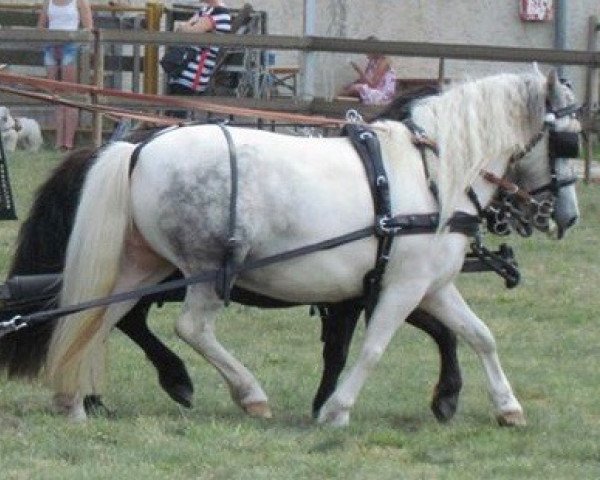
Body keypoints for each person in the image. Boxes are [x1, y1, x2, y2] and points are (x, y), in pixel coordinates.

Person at [37, 0, 93, 151]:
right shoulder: (48, 2)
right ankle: (58, 141)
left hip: (70, 47)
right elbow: (41, 26)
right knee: (54, 94)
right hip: (51, 46)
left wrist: (72, 42)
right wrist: (50, 39)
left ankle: (68, 143)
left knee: (70, 94)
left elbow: (88, 28)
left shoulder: (80, 2)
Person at [167, 1, 232, 101]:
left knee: (178, 113)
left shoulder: (220, 13)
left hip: (193, 78)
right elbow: (181, 31)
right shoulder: (206, 10)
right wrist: (187, 28)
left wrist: (187, 28)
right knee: (171, 112)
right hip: (181, 72)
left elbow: (189, 31)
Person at [341, 37, 397, 105]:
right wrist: (353, 83)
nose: (365, 54)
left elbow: (373, 84)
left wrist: (358, 70)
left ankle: (336, 101)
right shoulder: (372, 62)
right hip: (374, 91)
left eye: (366, 51)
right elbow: (366, 80)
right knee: (350, 86)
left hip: (382, 95)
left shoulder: (384, 62)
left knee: (356, 88)